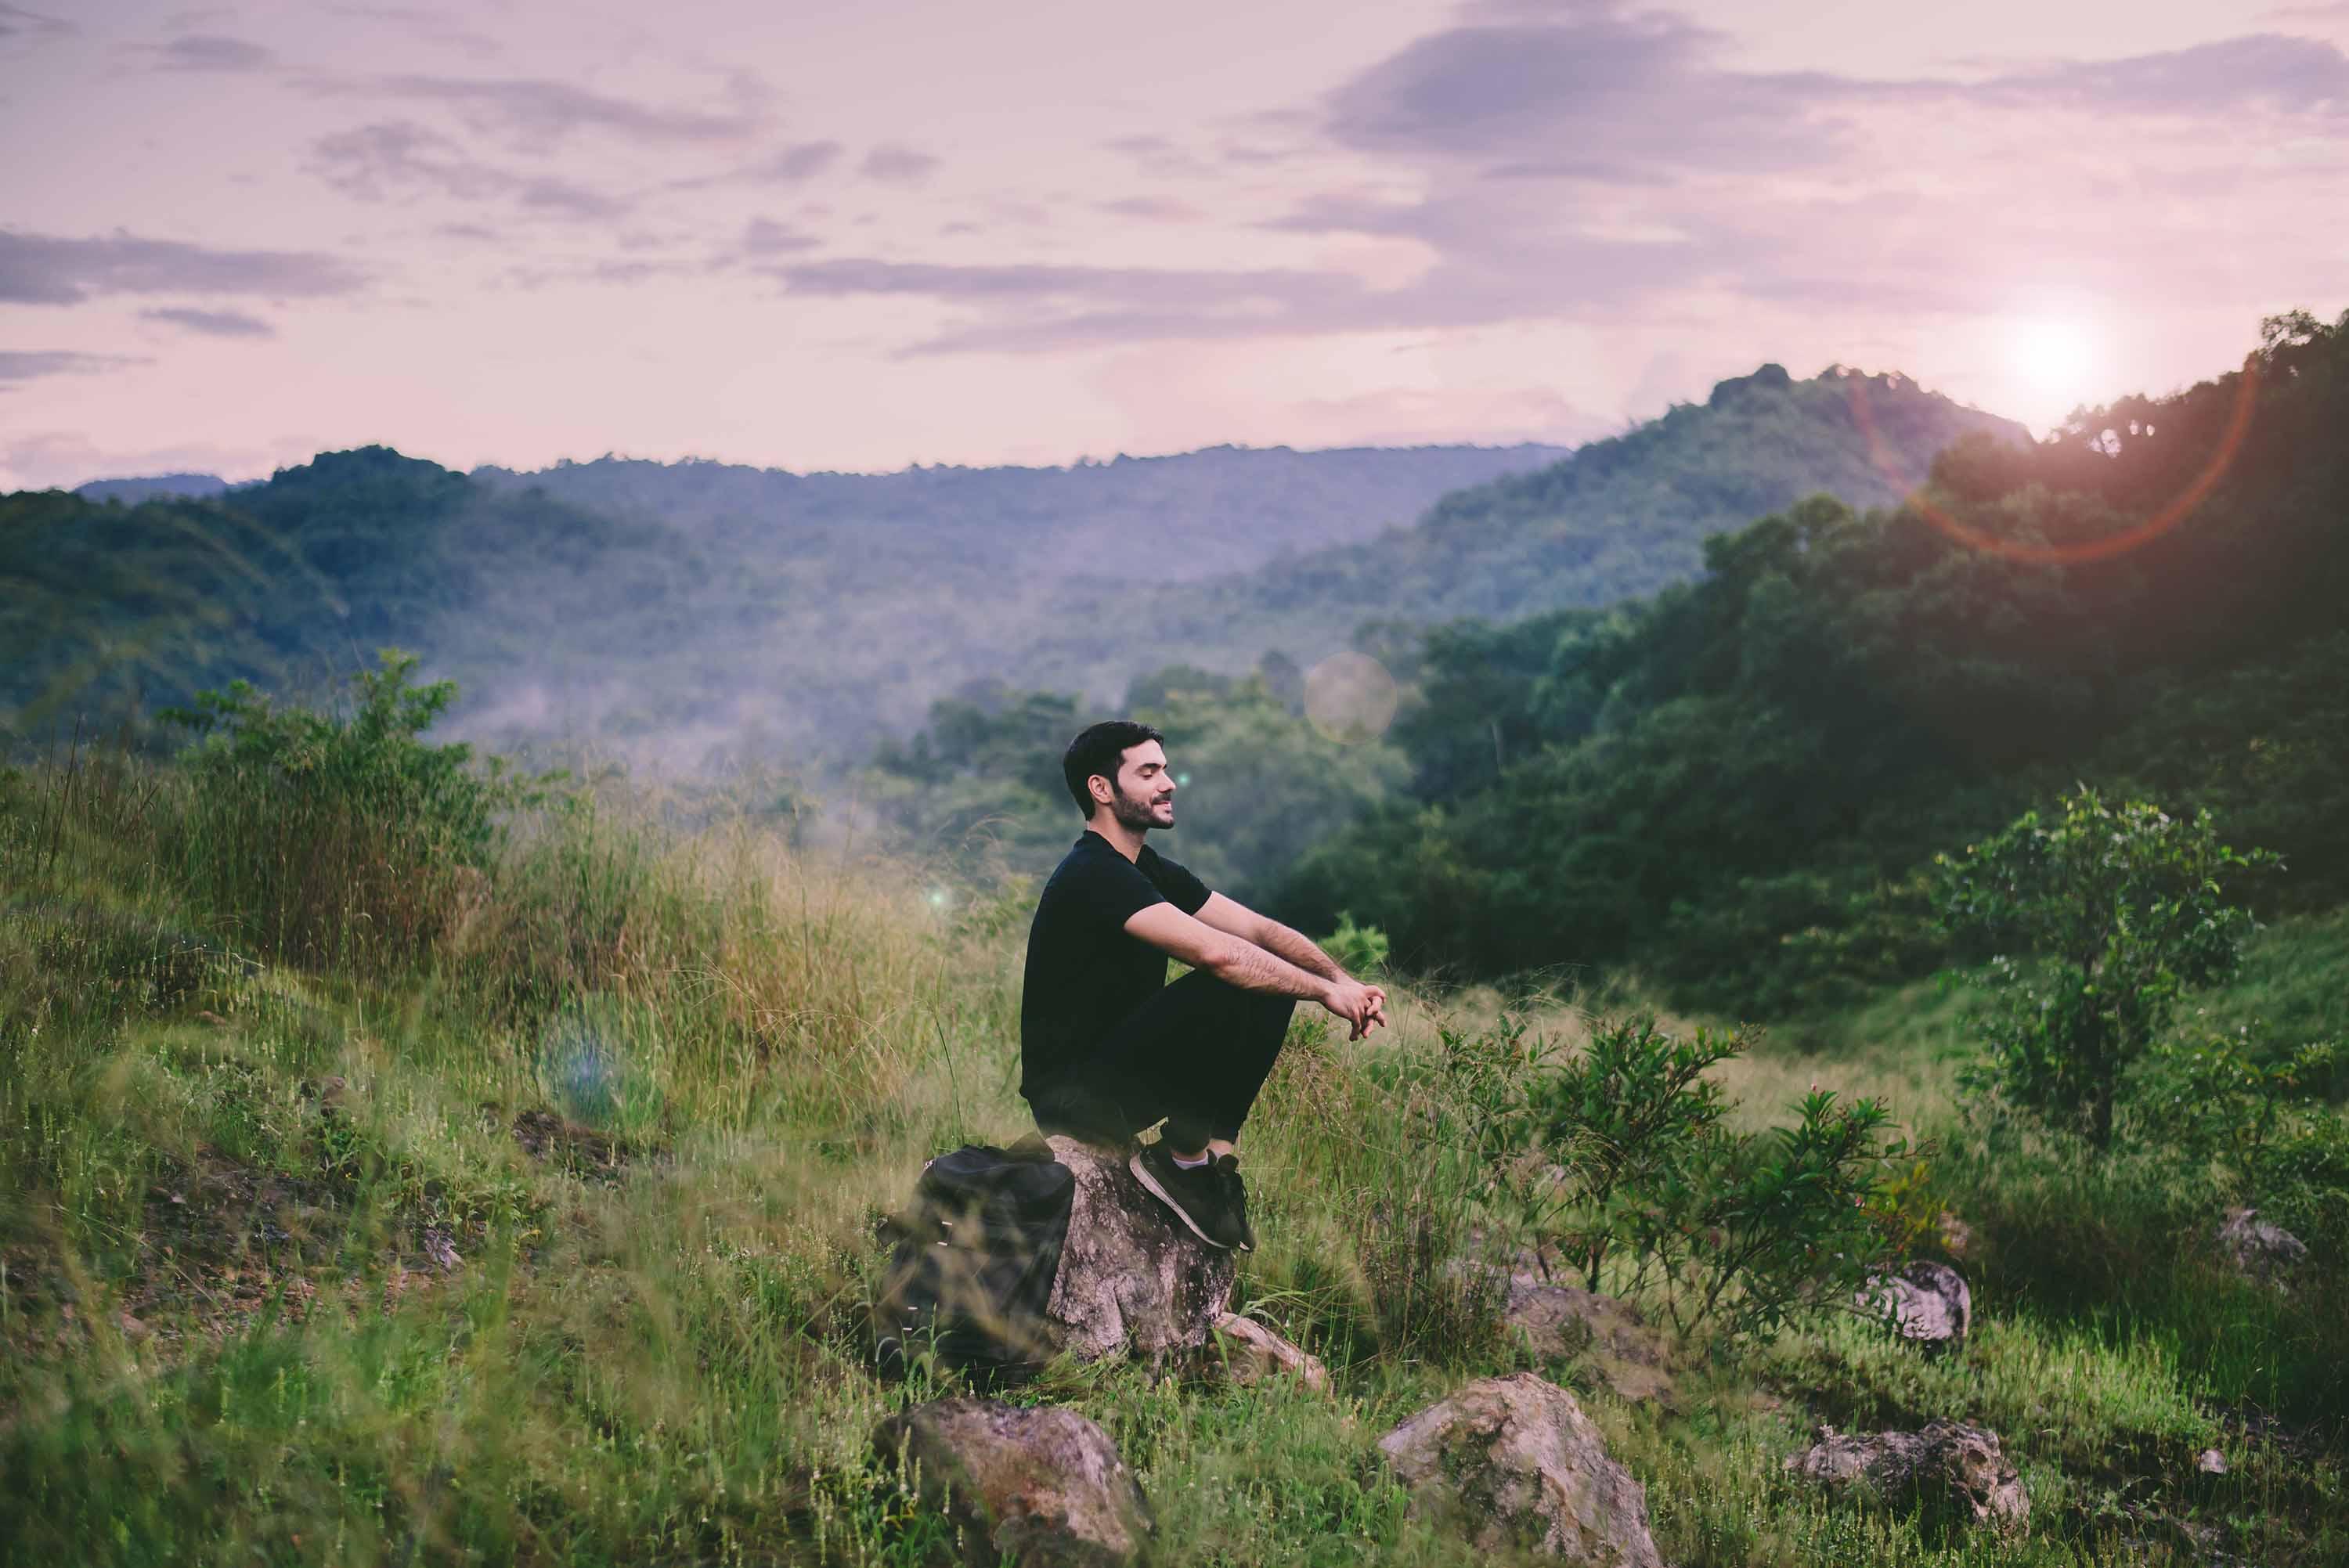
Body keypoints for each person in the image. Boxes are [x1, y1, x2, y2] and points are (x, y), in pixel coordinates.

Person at [1019, 719, 1387, 1251]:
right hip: (1074, 1100)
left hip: (1120, 1074)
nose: (1168, 783)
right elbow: (1217, 952)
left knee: (1269, 975)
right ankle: (1183, 1162)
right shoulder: (1092, 874)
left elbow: (1258, 930)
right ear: (1102, 788)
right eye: (1148, 772)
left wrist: (1340, 978)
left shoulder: (1145, 867)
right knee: (1236, 978)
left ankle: (1211, 1161)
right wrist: (1324, 993)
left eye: (1165, 769)